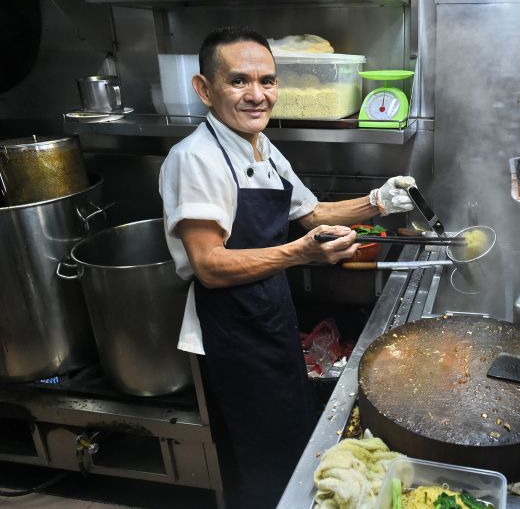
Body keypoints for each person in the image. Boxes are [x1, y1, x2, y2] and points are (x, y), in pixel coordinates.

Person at [158, 26, 416, 508]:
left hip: (268, 312)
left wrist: (379, 201)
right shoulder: (195, 160)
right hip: (230, 331)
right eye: (238, 82)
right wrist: (301, 253)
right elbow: (210, 265)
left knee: (292, 442)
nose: (257, 95)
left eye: (267, 81)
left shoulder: (259, 146)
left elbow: (311, 213)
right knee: (261, 459)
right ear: (204, 88)